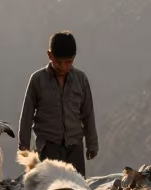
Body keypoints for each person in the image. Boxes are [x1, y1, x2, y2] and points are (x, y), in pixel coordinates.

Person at [18, 31, 97, 178]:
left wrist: (92, 144)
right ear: (50, 55)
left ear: (74, 58)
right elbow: (27, 115)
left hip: (74, 147)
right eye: (59, 62)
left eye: (68, 62)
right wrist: (24, 147)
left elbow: (88, 114)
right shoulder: (37, 80)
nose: (63, 67)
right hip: (48, 148)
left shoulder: (81, 80)